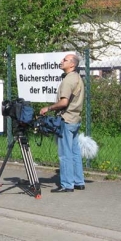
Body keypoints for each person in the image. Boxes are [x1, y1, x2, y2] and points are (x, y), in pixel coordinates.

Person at [40, 54, 85, 193]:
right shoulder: (78, 78)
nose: (61, 62)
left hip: (66, 119)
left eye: (64, 60)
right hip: (75, 119)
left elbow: (64, 102)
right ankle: (79, 181)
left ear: (72, 64)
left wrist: (48, 108)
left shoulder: (68, 80)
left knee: (65, 154)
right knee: (75, 152)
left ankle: (67, 185)